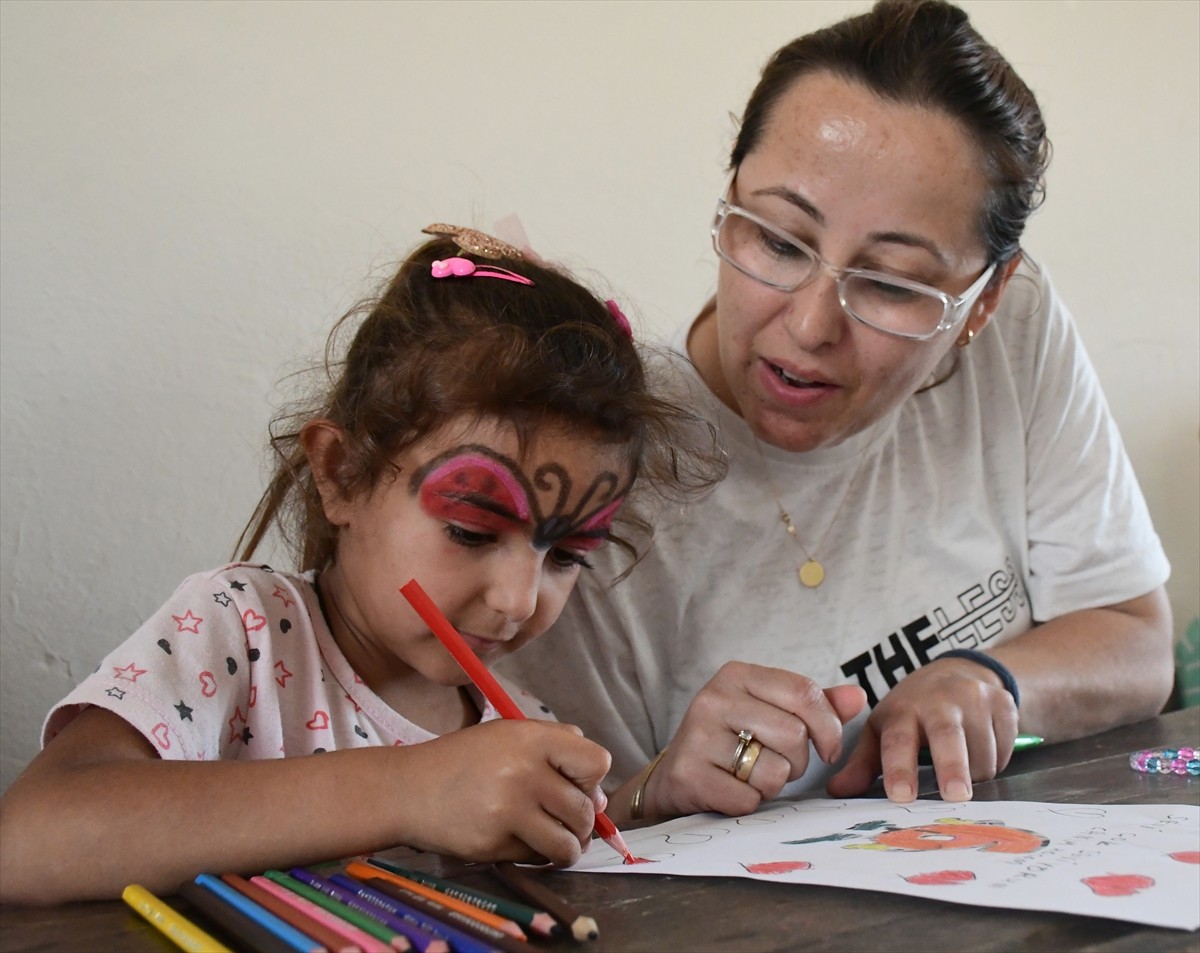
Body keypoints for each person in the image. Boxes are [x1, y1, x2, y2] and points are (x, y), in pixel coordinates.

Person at [499, 0, 1174, 823]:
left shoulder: (1017, 327)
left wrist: (990, 679)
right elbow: (548, 823)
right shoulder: (611, 447)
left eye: (891, 283)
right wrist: (659, 784)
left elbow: (1137, 640)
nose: (811, 326)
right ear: (730, 199)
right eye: (778, 241)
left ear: (985, 299)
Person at [0, 225, 721, 904]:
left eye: (565, 554)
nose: (516, 597)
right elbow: (27, 838)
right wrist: (407, 790)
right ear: (340, 473)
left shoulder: (514, 730)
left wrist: (634, 803)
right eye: (472, 531)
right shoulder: (241, 630)